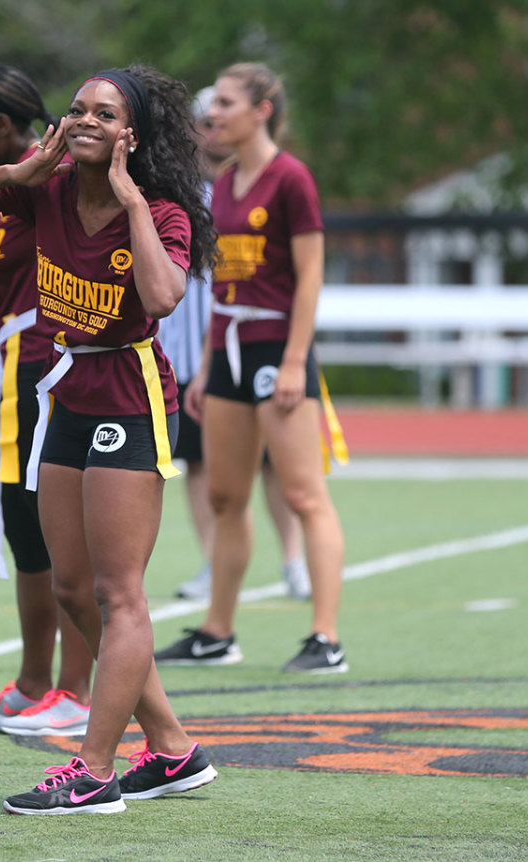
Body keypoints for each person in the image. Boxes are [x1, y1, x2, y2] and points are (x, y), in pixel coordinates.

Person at [0, 64, 219, 815]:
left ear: (132, 136)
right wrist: (22, 166)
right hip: (66, 395)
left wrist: (131, 204)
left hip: (129, 396)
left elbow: (159, 297)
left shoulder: (161, 210)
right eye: (77, 109)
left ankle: (93, 771)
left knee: (120, 595)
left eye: (105, 114)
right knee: (71, 587)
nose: (84, 120)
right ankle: (175, 751)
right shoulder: (43, 192)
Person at [154, 63, 348, 674]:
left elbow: (311, 276)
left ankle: (325, 639)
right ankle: (218, 632)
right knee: (223, 494)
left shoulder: (291, 179)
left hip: (276, 350)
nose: (214, 115)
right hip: (230, 349)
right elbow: (220, 287)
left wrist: (294, 361)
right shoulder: (226, 181)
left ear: (262, 110)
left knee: (301, 493)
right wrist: (209, 367)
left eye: (228, 104)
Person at [0, 66, 94, 737]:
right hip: (15, 368)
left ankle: (75, 688)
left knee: (60, 535)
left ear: (3, 127)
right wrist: (21, 170)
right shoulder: (24, 182)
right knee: (23, 526)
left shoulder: (61, 183)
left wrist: (41, 167)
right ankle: (35, 680)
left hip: (49, 367)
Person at [161, 85, 311, 610]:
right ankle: (213, 565)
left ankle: (294, 560)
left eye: (219, 115)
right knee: (200, 465)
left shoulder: (258, 184)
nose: (209, 128)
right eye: (203, 120)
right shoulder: (183, 189)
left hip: (247, 341)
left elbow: (299, 271)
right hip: (191, 349)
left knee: (276, 463)